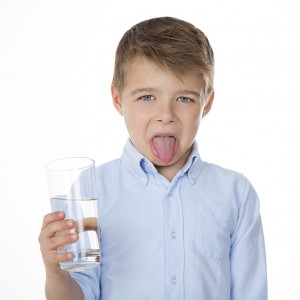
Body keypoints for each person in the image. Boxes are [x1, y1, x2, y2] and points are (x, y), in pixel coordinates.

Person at [39, 16, 268, 299]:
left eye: (184, 98)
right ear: (118, 99)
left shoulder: (236, 193)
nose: (166, 115)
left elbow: (251, 293)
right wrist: (56, 272)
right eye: (147, 97)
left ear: (206, 103)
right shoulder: (92, 189)